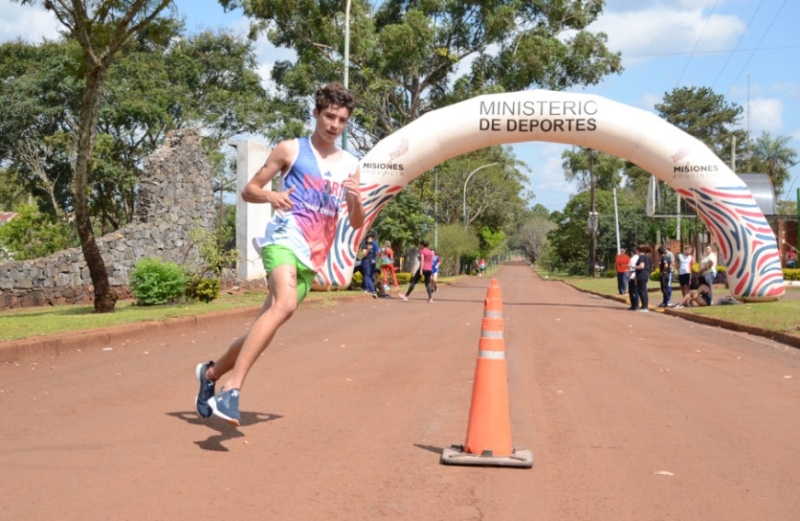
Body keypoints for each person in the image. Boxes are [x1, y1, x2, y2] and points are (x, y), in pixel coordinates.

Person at [194, 83, 365, 426]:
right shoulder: (290, 150)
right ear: (316, 114)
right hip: (285, 240)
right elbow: (249, 190)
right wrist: (272, 197)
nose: (334, 125)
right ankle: (232, 387)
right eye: (329, 116)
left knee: (266, 324)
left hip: (314, 255)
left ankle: (210, 374)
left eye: (342, 120)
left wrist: (356, 200)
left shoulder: (351, 164)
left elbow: (357, 223)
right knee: (284, 305)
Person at [634, 245, 653, 312]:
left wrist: (634, 266)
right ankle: (644, 306)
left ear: (638, 251)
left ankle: (645, 307)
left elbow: (642, 266)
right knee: (643, 291)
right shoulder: (648, 257)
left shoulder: (641, 257)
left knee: (642, 291)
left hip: (641, 274)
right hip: (646, 274)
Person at [361, 232, 379, 297]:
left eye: (371, 238)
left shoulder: (374, 244)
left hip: (372, 262)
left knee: (369, 276)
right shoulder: (364, 244)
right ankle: (369, 289)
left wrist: (381, 254)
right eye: (369, 238)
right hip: (367, 261)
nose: (370, 239)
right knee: (367, 276)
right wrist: (368, 249)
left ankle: (369, 289)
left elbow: (377, 254)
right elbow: (363, 254)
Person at [627, 246, 640, 311]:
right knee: (636, 291)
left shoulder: (632, 259)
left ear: (632, 252)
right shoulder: (639, 258)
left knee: (632, 291)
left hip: (632, 276)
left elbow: (631, 269)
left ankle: (634, 305)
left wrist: (628, 276)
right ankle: (636, 305)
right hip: (638, 276)